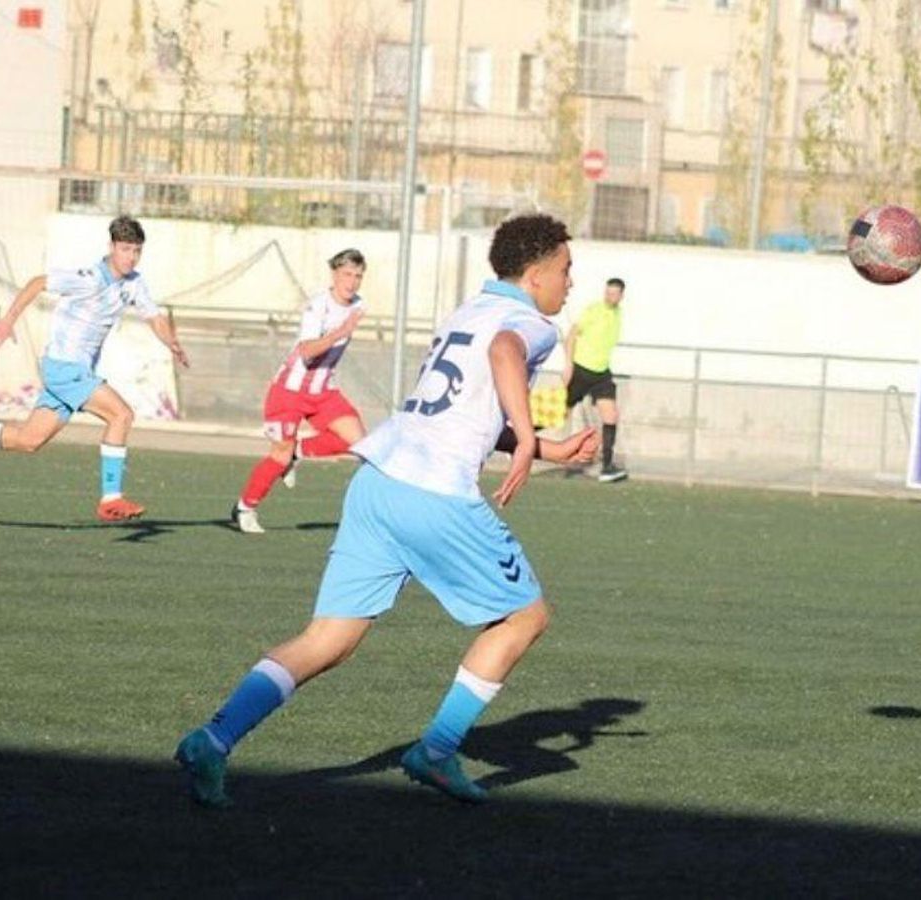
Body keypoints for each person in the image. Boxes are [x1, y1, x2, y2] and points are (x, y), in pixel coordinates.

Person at [174, 213, 599, 807]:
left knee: (329, 639)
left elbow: (466, 411)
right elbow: (506, 354)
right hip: (434, 493)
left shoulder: (468, 310)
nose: (571, 282)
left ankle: (213, 739)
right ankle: (437, 749)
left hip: (378, 479)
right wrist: (529, 437)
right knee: (524, 618)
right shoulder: (527, 325)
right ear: (533, 275)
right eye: (565, 269)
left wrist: (544, 445)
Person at [0, 215, 190, 521]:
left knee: (28, 440)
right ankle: (111, 498)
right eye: (126, 249)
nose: (131, 257)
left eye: (136, 251)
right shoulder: (89, 277)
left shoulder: (133, 284)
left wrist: (172, 342)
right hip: (65, 368)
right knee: (122, 414)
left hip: (74, 373)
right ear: (111, 247)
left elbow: (154, 317)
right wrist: (8, 320)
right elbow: (38, 283)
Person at [230, 249, 370, 535]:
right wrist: (338, 333)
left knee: (359, 443)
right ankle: (245, 507)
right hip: (289, 390)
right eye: (347, 274)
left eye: (358, 276)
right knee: (278, 455)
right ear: (334, 274)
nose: (352, 282)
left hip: (323, 390)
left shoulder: (359, 304)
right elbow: (306, 351)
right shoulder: (318, 306)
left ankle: (299, 451)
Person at [561, 277, 627, 482]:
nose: (610, 297)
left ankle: (606, 467)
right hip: (581, 370)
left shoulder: (618, 313)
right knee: (557, 412)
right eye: (607, 292)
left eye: (614, 293)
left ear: (621, 296)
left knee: (611, 416)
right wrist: (569, 365)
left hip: (601, 374)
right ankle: (518, 441)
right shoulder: (594, 310)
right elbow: (571, 335)